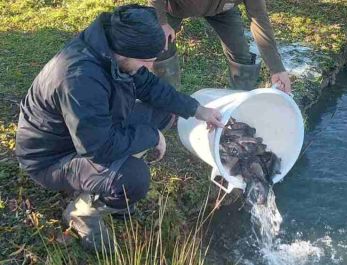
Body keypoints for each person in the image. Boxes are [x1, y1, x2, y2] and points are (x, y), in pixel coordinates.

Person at [15, 4, 223, 251]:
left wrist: (197, 110)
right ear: (125, 53)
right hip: (51, 158)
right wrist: (151, 136)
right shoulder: (80, 79)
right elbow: (99, 147)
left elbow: (149, 86)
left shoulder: (112, 49)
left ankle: (107, 178)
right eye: (146, 61)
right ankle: (83, 213)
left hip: (82, 133)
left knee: (165, 111)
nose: (149, 67)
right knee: (134, 179)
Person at [149, 0, 291, 93]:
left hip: (222, 9)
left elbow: (259, 18)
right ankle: (168, 104)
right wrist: (161, 22)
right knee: (160, 45)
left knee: (240, 52)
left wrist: (277, 68)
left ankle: (241, 101)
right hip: (176, 6)